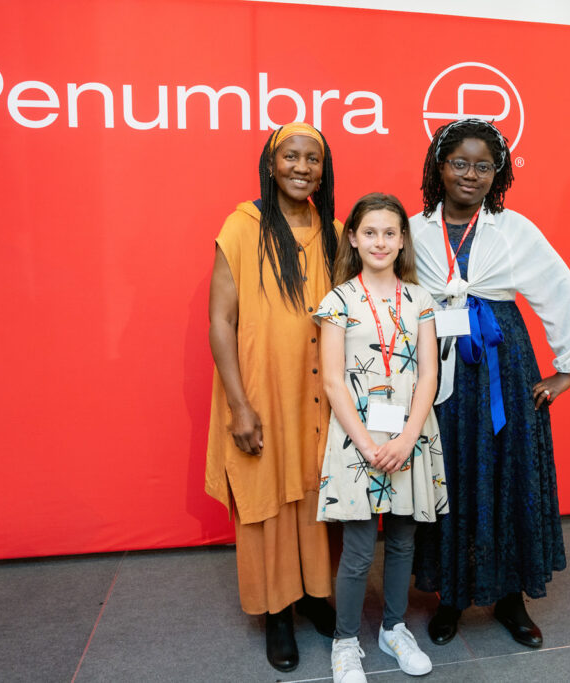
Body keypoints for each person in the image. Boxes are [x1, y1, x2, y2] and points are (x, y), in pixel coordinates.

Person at [409, 119, 570, 648]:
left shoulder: (514, 229)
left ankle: (512, 598)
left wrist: (566, 368)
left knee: (509, 476)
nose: (470, 174)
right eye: (459, 163)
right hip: (439, 370)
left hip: (503, 366)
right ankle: (452, 598)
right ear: (439, 168)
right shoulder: (414, 228)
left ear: (499, 172)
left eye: (483, 166)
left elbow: (561, 288)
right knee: (451, 476)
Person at [205, 122, 340, 673]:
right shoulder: (243, 225)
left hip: (318, 394)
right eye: (291, 156)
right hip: (261, 390)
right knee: (267, 500)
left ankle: (312, 594)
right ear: (270, 163)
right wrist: (239, 405)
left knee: (316, 495)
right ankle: (276, 612)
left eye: (313, 158)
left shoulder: (334, 231)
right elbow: (220, 318)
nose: (302, 166)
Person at [314, 193, 447, 683]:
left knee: (405, 540)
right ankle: (345, 642)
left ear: (402, 240)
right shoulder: (338, 301)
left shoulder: (420, 300)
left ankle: (394, 629)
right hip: (357, 443)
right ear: (352, 237)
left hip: (411, 437)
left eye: (390, 232)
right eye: (370, 232)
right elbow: (331, 380)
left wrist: (409, 436)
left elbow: (429, 376)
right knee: (357, 548)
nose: (380, 241)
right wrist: (370, 446)